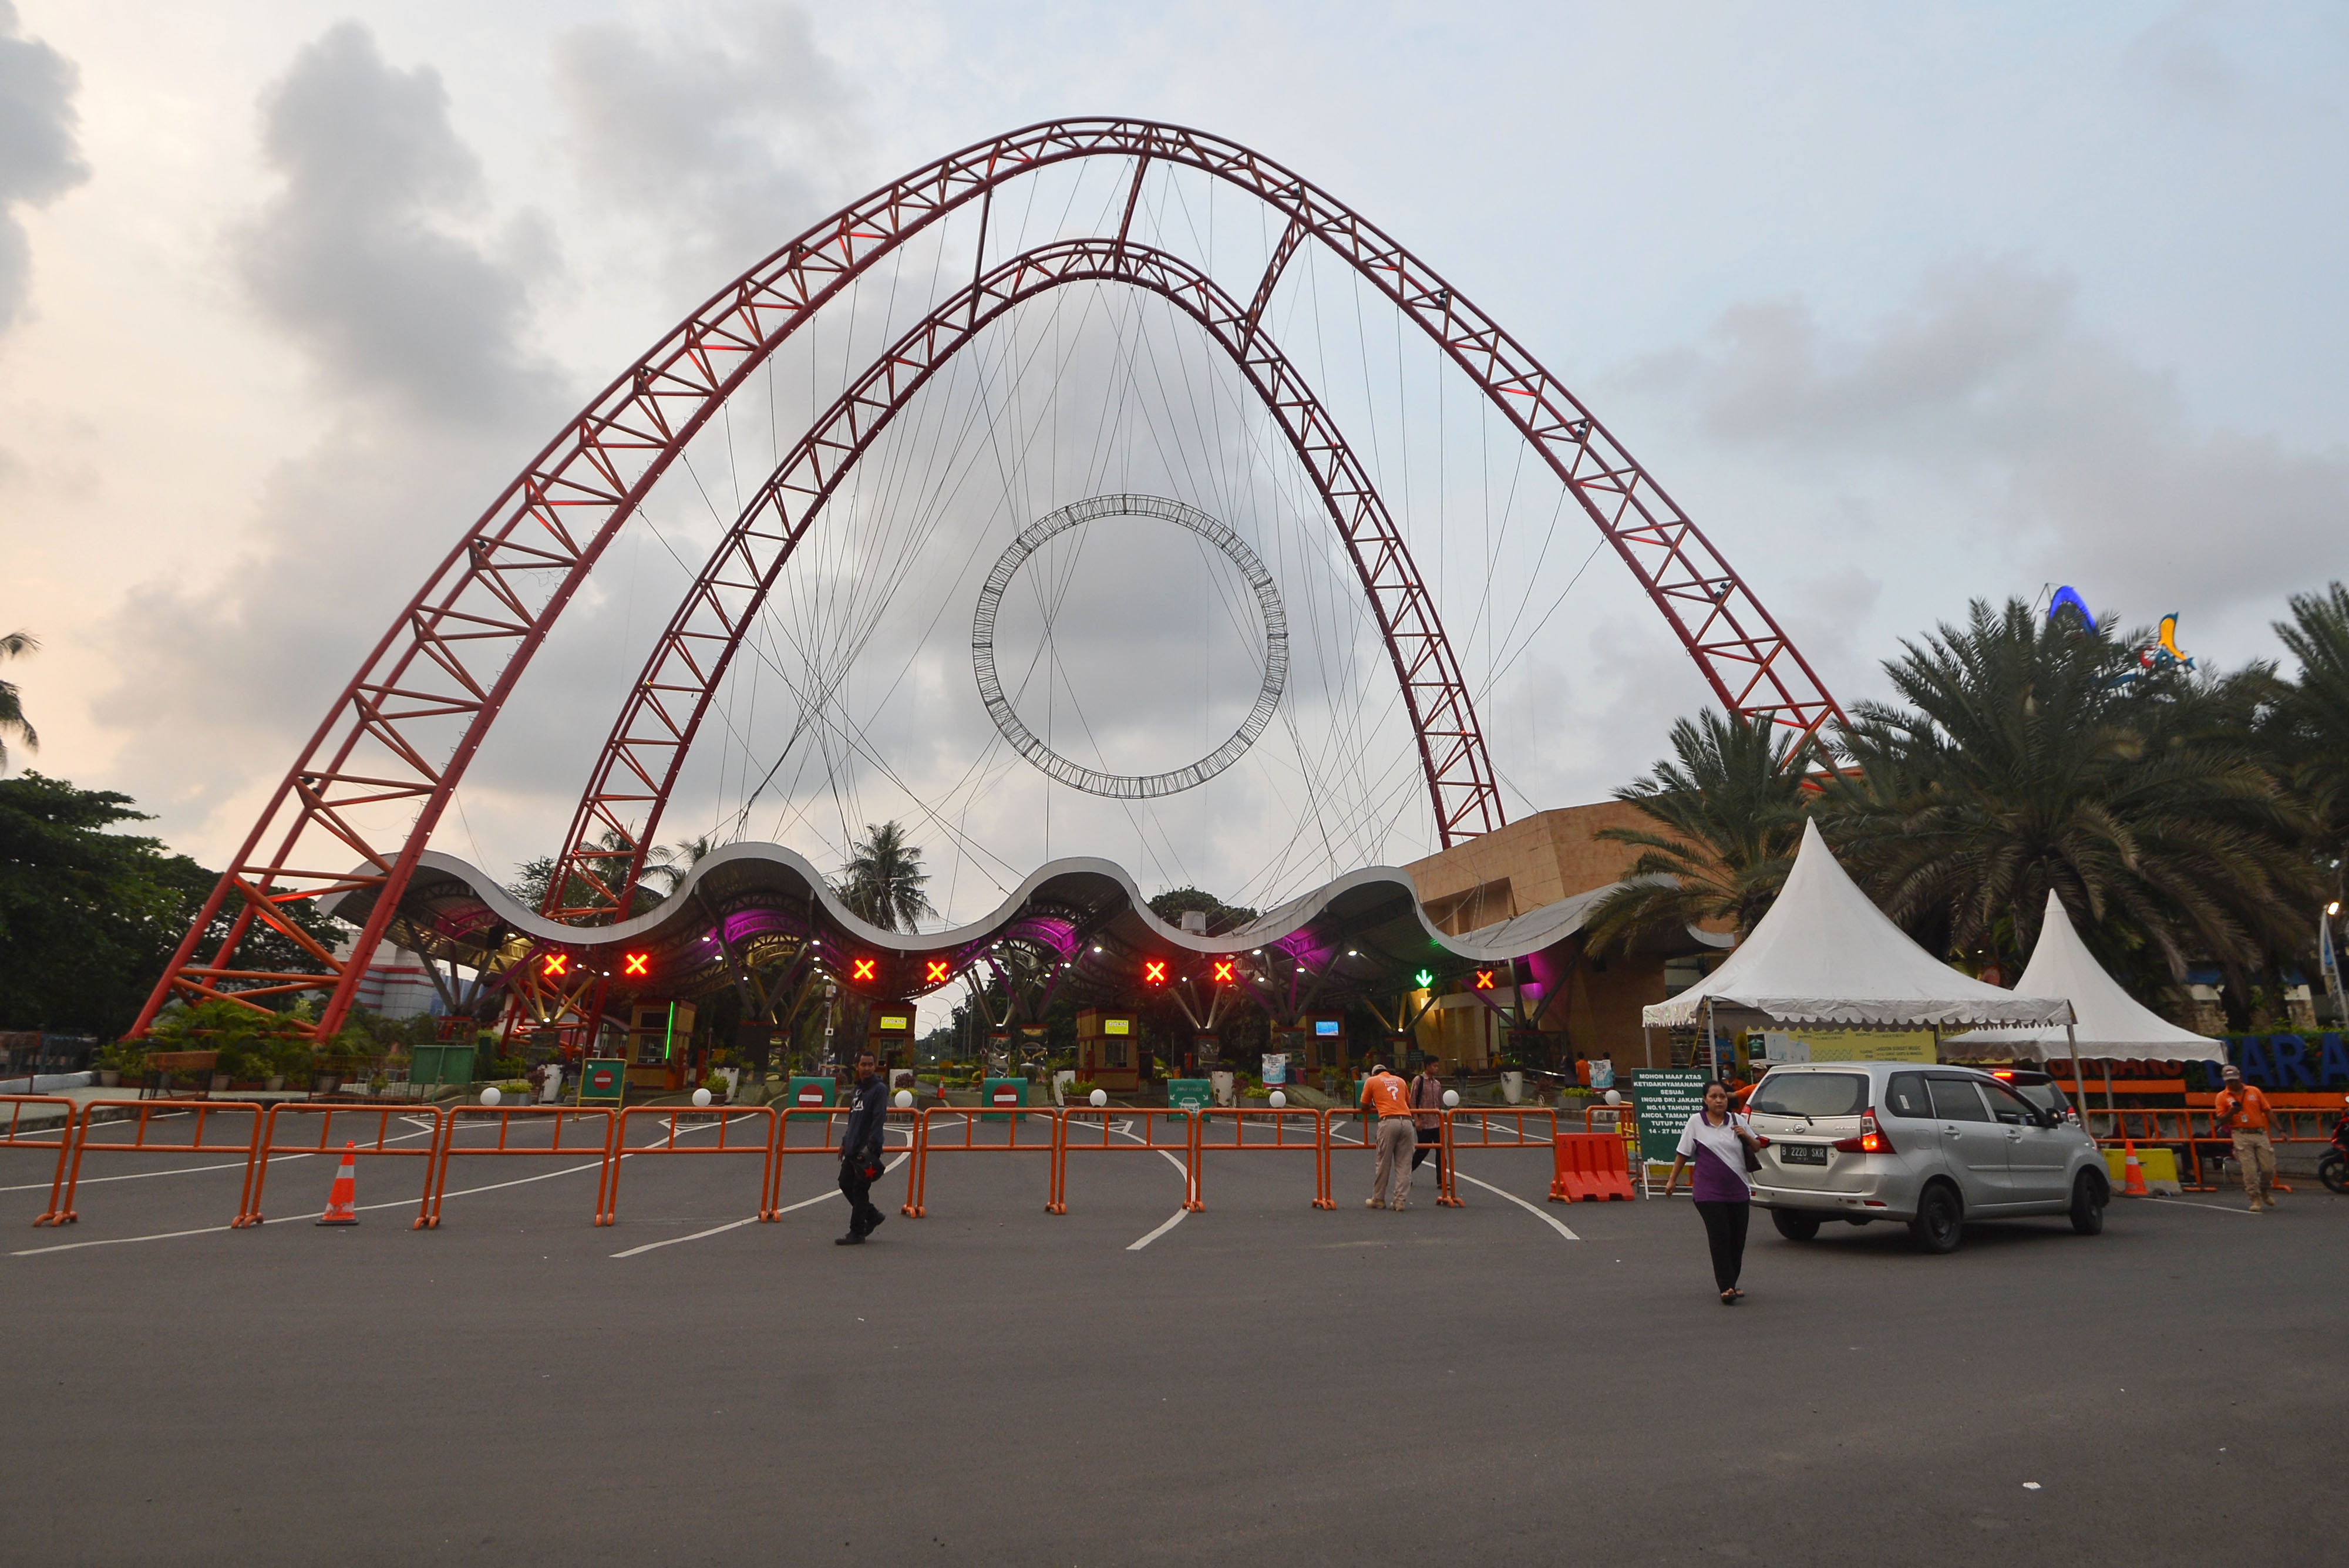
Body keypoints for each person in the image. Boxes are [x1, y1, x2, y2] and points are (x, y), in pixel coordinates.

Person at [1662, 1080, 1762, 1305]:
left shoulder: (1737, 1120)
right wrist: (1672, 1180)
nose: (1719, 1101)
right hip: (1709, 1193)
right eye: (1714, 1097)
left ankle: (1732, 1282)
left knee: (1737, 1240)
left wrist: (1744, 1135)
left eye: (1723, 1097)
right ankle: (1726, 1286)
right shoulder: (1696, 1122)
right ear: (1705, 1100)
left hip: (1738, 1190)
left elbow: (1757, 1146)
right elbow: (1683, 1153)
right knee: (1720, 1237)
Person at [836, 1051, 888, 1244]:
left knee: (859, 1189)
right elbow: (852, 1119)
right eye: (863, 1065)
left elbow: (878, 1118)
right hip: (852, 1146)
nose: (867, 1068)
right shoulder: (858, 1090)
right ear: (857, 1067)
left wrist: (871, 1147)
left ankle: (857, 1232)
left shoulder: (879, 1089)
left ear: (875, 1067)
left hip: (867, 1149)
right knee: (844, 1183)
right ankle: (872, 1215)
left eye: (870, 1065)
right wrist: (844, 1142)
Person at [2214, 1065, 2278, 1212]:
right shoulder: (2222, 1096)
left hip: (2260, 1133)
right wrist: (2232, 1111)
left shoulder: (2254, 1091)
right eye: (2229, 1081)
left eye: (2234, 1080)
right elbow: (2221, 1120)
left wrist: (2281, 1130)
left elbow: (2268, 1111)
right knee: (2249, 1170)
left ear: (2240, 1078)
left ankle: (2265, 1190)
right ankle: (2255, 1198)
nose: (2232, 1084)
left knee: (2268, 1167)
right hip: (2240, 1134)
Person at [1358, 1063, 1416, 1210]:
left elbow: (1364, 1104)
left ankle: (1378, 1199)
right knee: (1404, 1164)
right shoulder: (1401, 1081)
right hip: (1407, 1121)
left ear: (1374, 1074)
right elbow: (1408, 1103)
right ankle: (1400, 1202)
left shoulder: (1372, 1081)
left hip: (1388, 1121)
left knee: (1383, 1162)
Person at [1408, 1057, 1446, 1185]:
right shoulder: (1419, 1081)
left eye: (1437, 1066)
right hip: (1424, 1122)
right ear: (1428, 1066)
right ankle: (1406, 1174)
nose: (1436, 1069)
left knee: (1441, 1150)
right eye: (1434, 1066)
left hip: (1436, 1122)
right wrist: (1416, 1119)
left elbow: (1440, 1102)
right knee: (1422, 1151)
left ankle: (1441, 1180)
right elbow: (1412, 1100)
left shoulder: (1437, 1084)